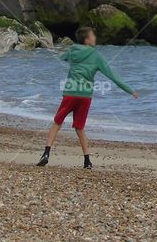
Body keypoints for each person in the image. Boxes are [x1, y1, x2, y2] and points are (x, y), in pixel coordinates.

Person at [36, 26, 138, 169]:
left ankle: (46, 153)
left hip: (70, 93)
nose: (95, 38)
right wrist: (130, 90)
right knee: (79, 127)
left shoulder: (73, 51)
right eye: (93, 36)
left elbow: (61, 58)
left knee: (57, 123)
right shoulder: (96, 55)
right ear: (87, 40)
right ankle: (87, 161)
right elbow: (112, 75)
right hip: (85, 97)